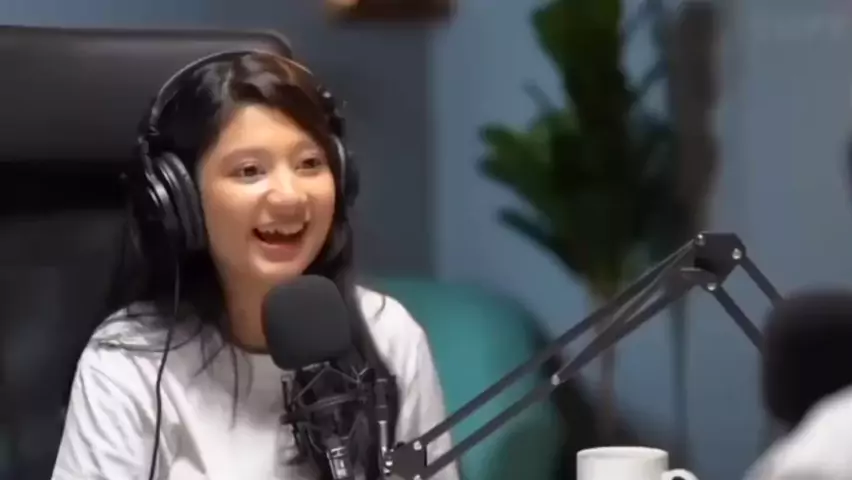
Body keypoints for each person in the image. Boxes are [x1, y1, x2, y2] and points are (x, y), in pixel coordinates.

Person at [51, 50, 457, 480]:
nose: (289, 196)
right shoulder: (128, 361)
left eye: (310, 164)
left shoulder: (388, 334)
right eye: (249, 171)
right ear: (180, 201)